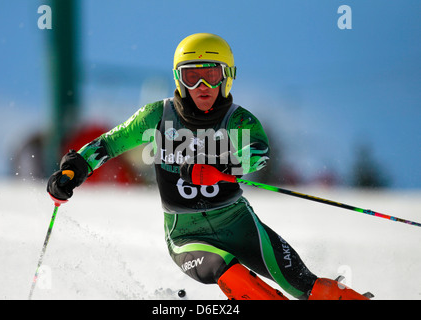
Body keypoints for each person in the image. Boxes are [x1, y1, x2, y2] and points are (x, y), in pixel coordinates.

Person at [47, 33, 371, 300]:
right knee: (231, 274)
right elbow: (109, 143)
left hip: (240, 224)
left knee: (309, 287)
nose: (202, 85)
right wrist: (73, 170)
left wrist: (220, 166)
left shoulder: (238, 120)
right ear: (179, 78)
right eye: (192, 75)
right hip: (187, 236)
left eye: (211, 74)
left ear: (226, 77)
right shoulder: (157, 117)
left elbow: (257, 153)